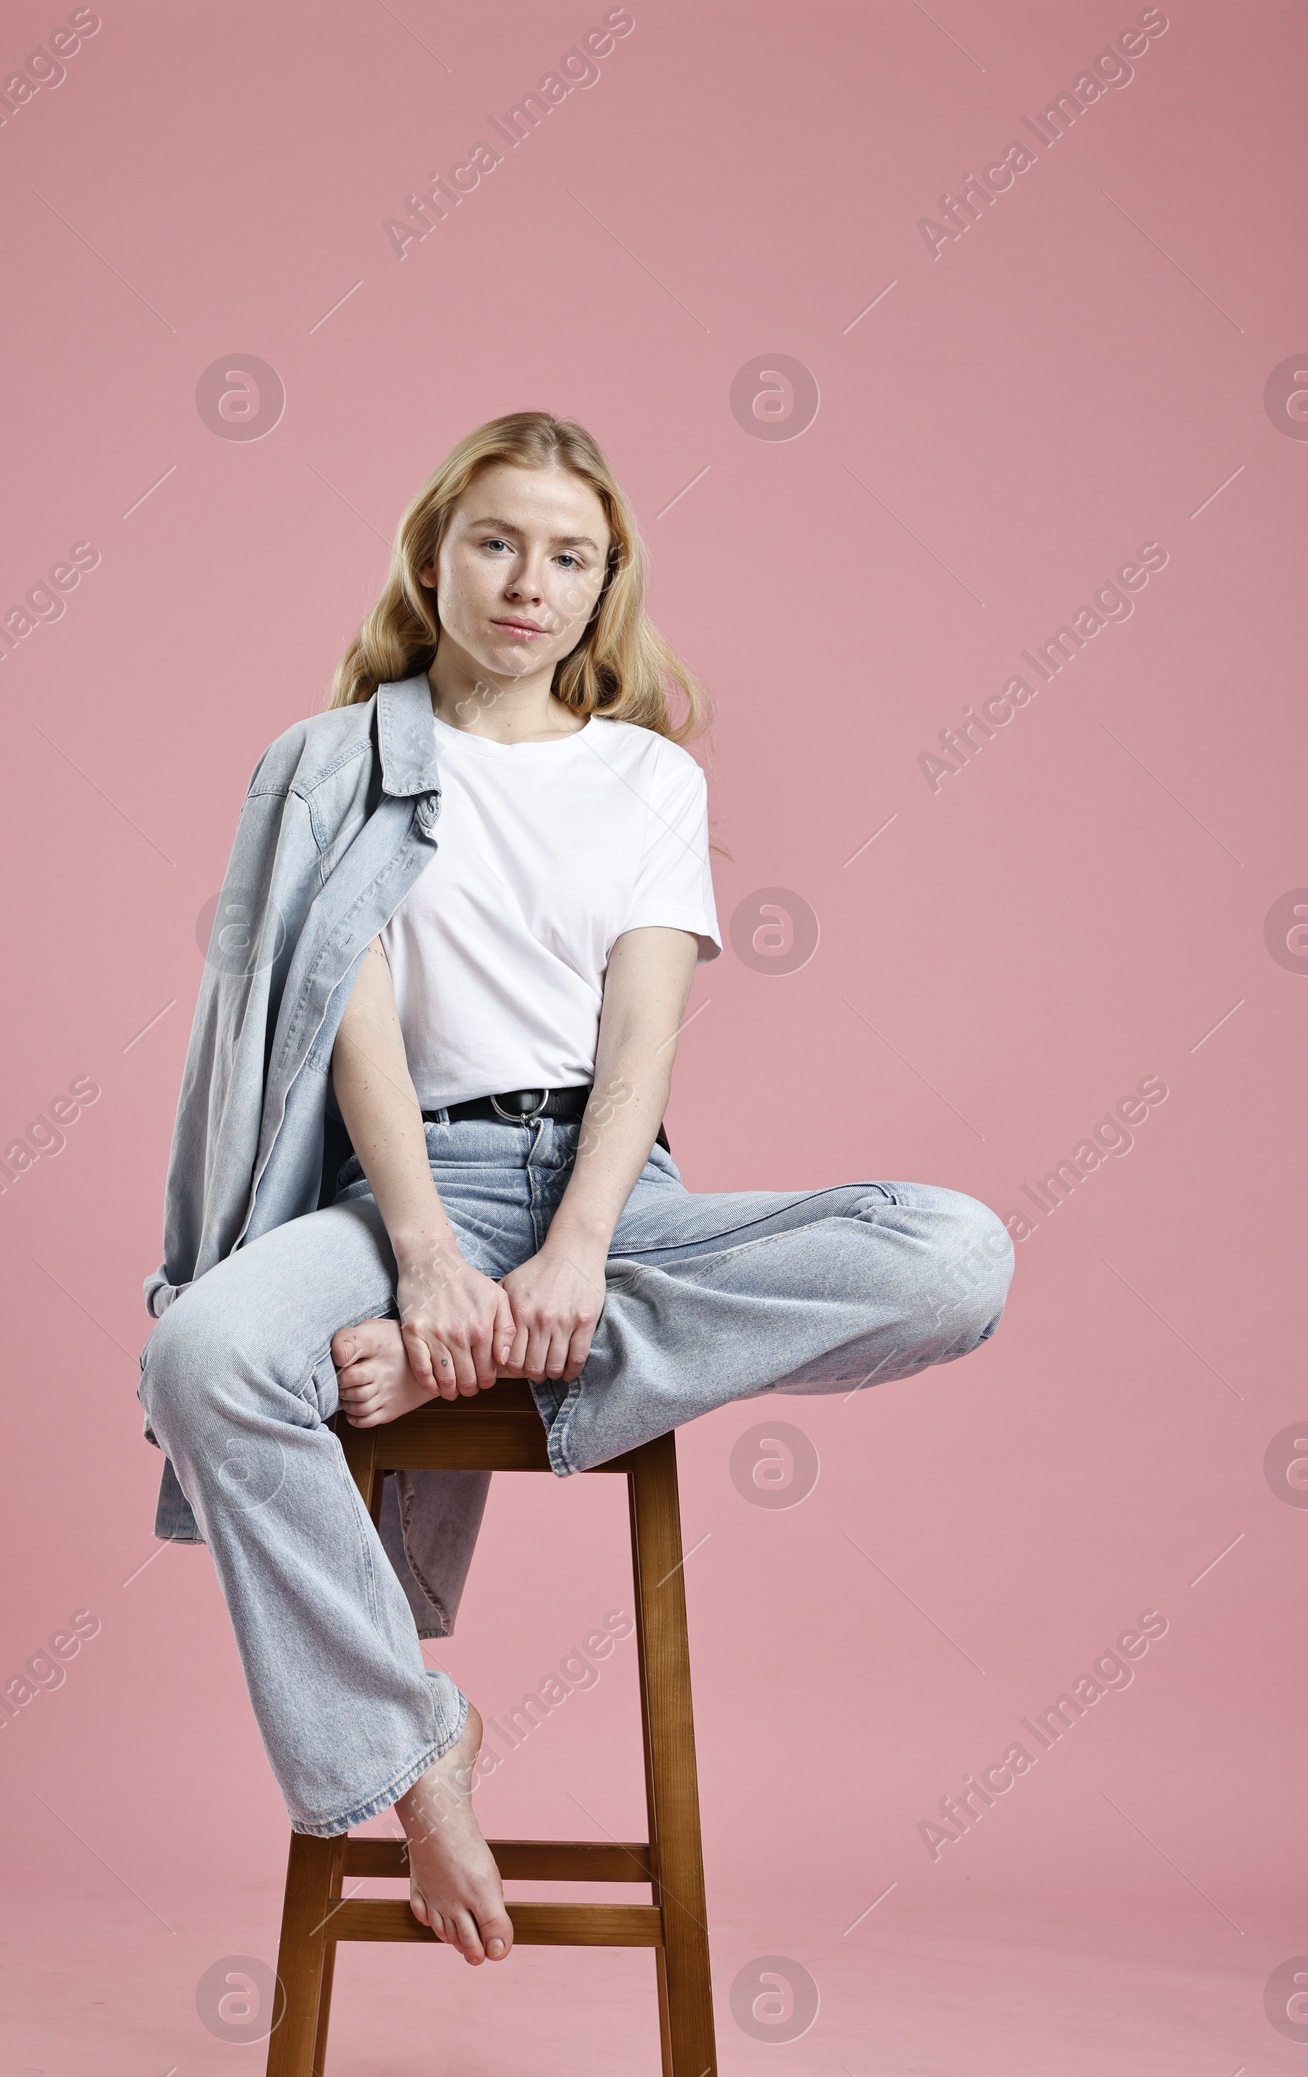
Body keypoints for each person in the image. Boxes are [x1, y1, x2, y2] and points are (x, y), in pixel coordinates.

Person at [138, 410, 1013, 1971]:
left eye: (569, 555)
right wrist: (422, 1259)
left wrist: (574, 1260)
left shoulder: (646, 778)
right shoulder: (333, 765)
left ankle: (471, 1366)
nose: (527, 582)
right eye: (496, 542)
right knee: (202, 1356)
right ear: (433, 556)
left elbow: (642, 1041)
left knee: (955, 1256)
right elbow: (354, 1038)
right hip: (408, 1181)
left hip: (606, 1190)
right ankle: (413, 1747)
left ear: (605, 587)